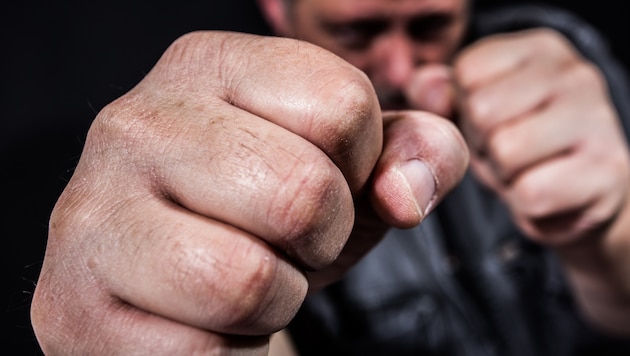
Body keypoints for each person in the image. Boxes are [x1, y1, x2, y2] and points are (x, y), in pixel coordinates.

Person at [29, 0, 630, 355]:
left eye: (430, 26)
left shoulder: (564, 65)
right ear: (278, 6)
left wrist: (607, 237)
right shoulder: (218, 131)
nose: (400, 67)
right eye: (356, 31)